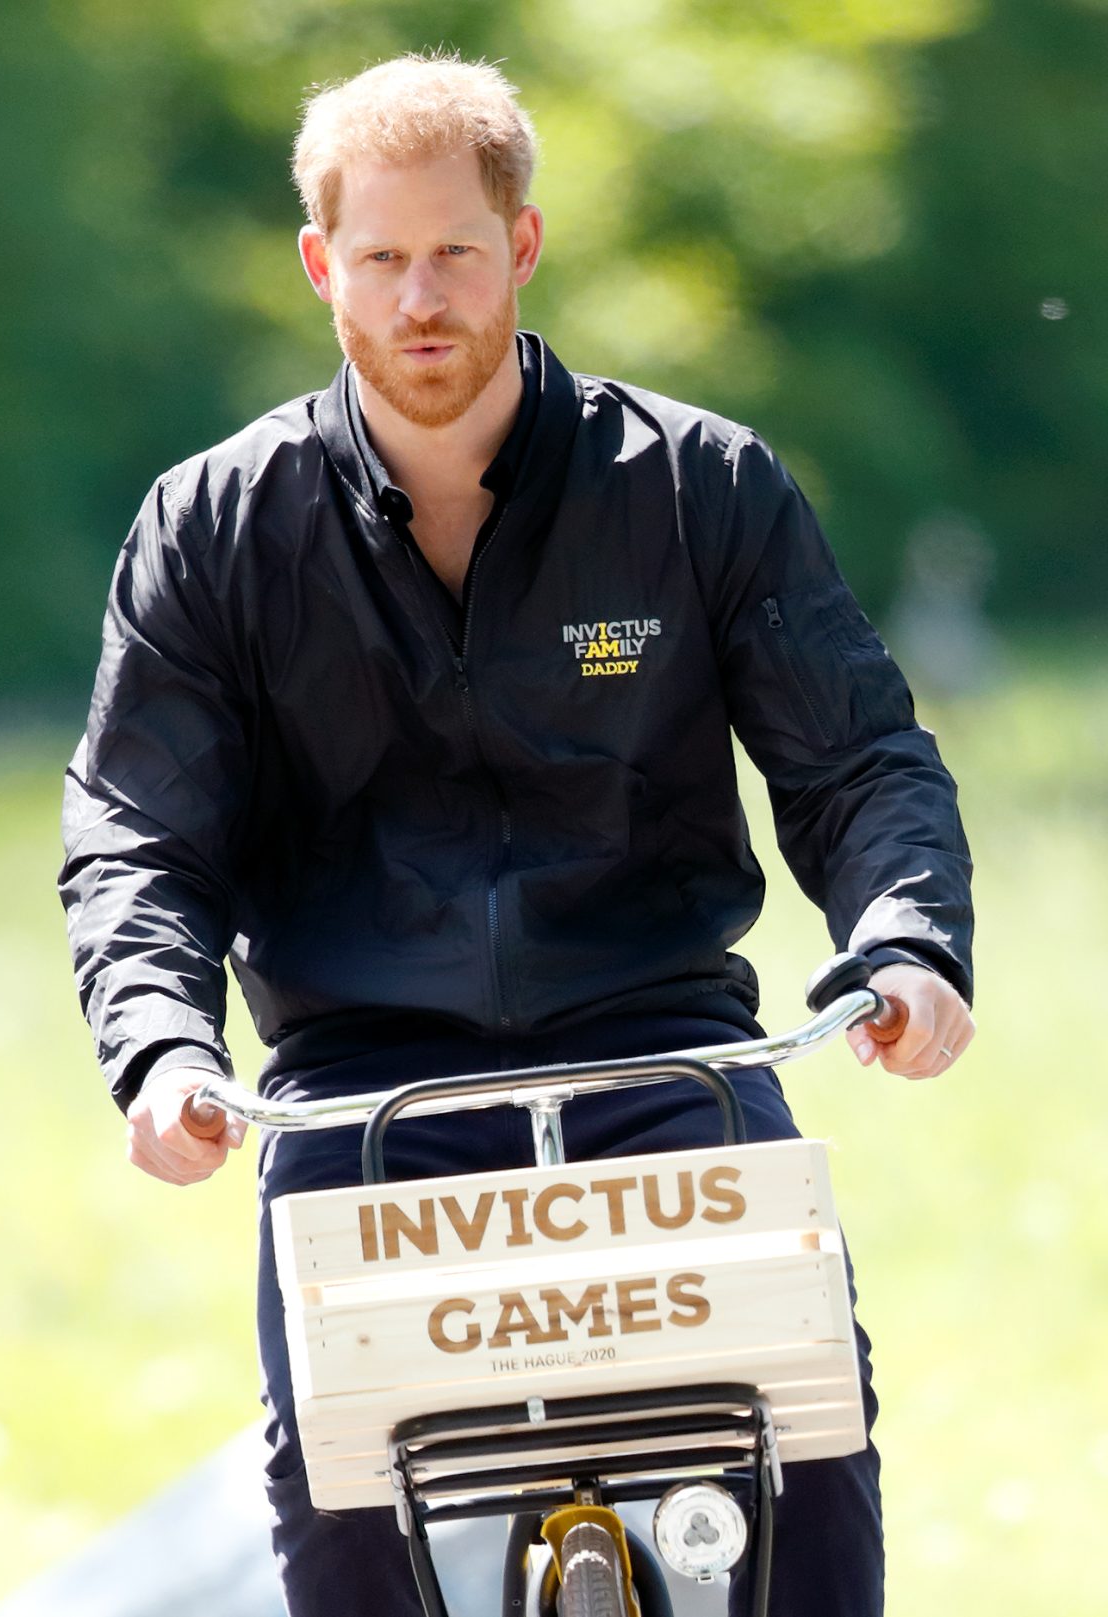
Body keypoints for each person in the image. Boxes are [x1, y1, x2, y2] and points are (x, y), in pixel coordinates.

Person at [59, 52, 974, 1617]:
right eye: (383, 258)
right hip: (360, 1106)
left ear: (524, 247)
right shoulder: (213, 527)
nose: (423, 300)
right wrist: (159, 1043)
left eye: (457, 254)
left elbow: (858, 757)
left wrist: (906, 941)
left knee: (811, 1431)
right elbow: (140, 833)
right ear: (319, 263)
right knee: (331, 1484)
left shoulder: (697, 486)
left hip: (665, 1066)